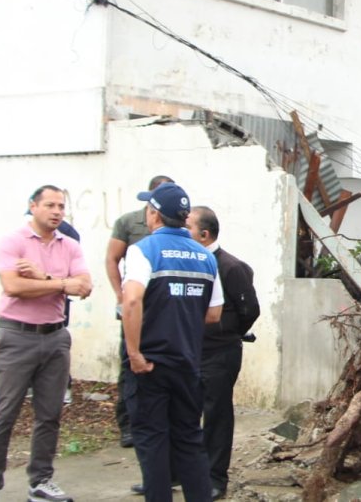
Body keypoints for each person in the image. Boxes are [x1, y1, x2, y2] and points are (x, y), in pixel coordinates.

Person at [0, 185, 93, 502]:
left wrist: (42, 278)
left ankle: (40, 482)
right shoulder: (13, 241)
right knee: (4, 412)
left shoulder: (69, 245)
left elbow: (85, 286)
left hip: (55, 338)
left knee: (50, 414)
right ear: (33, 206)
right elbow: (13, 286)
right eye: (50, 205)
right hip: (17, 336)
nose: (57, 212)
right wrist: (60, 285)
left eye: (61, 206)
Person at [122, 182, 223, 502]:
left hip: (149, 363)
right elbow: (214, 314)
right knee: (189, 441)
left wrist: (135, 353)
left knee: (152, 443)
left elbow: (132, 301)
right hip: (187, 364)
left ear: (154, 215)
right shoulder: (206, 257)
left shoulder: (143, 250)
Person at [188, 206, 260, 499]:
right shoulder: (190, 263)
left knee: (215, 414)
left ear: (204, 235)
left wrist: (224, 333)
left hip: (220, 354)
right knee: (184, 412)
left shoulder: (230, 267)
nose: (182, 231)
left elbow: (249, 310)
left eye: (188, 227)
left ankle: (215, 477)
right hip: (190, 352)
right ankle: (181, 470)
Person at [106, 175, 173, 447]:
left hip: (165, 311)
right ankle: (129, 424)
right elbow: (112, 259)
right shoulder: (129, 223)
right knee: (129, 365)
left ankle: (162, 422)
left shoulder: (179, 223)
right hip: (135, 307)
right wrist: (121, 296)